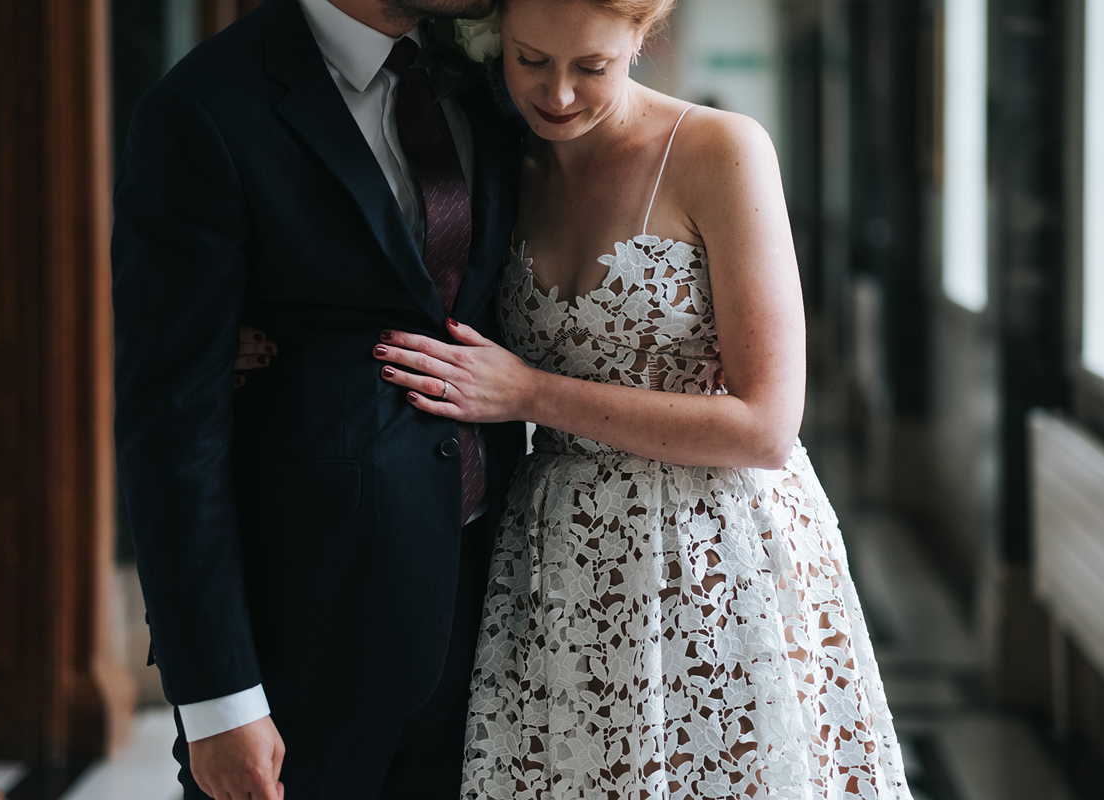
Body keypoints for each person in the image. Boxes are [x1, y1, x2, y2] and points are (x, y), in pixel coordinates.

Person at [369, 0, 915, 796]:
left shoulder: (721, 151)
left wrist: (529, 393)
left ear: (642, 37)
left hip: (715, 553)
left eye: (590, 67)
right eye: (530, 62)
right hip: (558, 559)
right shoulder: (494, 157)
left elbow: (765, 426)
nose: (556, 95)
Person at [110, 0, 527, 797]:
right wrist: (217, 696)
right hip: (309, 637)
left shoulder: (498, 75)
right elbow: (172, 429)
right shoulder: (203, 110)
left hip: (496, 619)